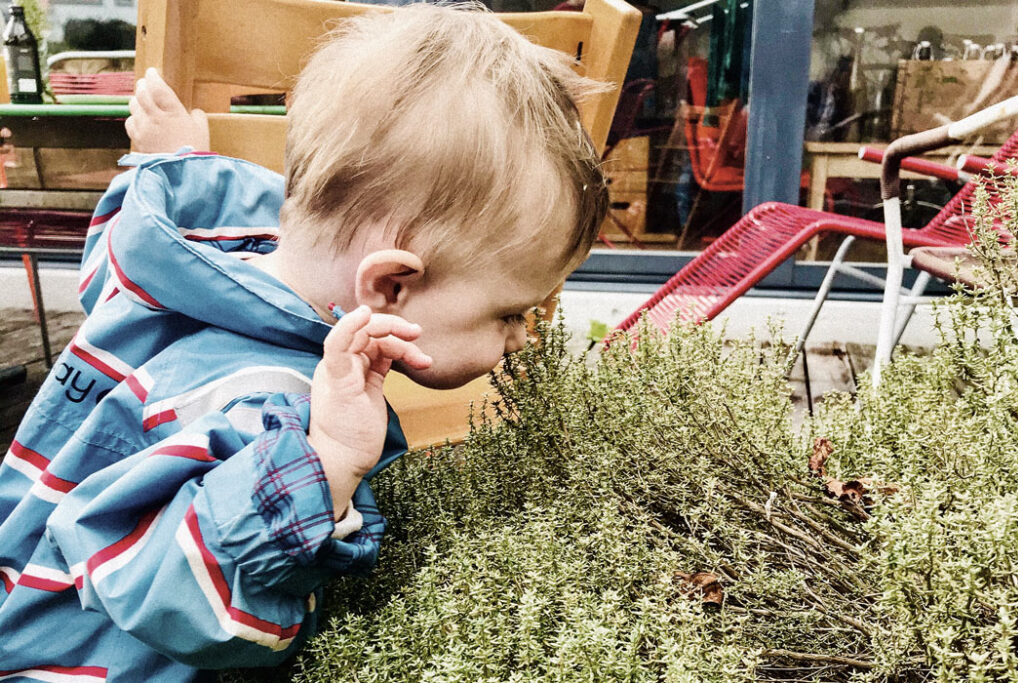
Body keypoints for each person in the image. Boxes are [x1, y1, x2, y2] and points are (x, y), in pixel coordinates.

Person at [0, 5, 607, 680]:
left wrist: (174, 161)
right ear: (392, 288)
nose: (523, 339)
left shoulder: (183, 254)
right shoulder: (266, 407)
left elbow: (114, 250)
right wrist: (326, 465)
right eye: (508, 313)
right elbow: (187, 601)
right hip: (73, 660)